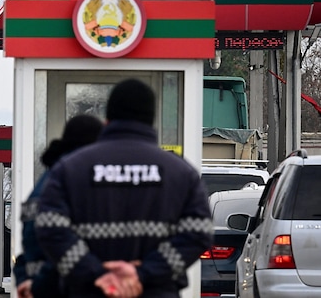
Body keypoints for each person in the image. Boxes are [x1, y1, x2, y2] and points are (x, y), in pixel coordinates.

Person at [35, 78, 213, 298]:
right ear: (151, 121)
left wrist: (97, 274)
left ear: (107, 120)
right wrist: (142, 273)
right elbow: (198, 233)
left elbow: (50, 228)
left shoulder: (70, 168)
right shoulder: (181, 172)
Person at [13, 114, 103, 298]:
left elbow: (29, 249)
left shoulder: (46, 181)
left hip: (36, 285)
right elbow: (59, 247)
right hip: (55, 287)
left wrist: (24, 278)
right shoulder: (72, 182)